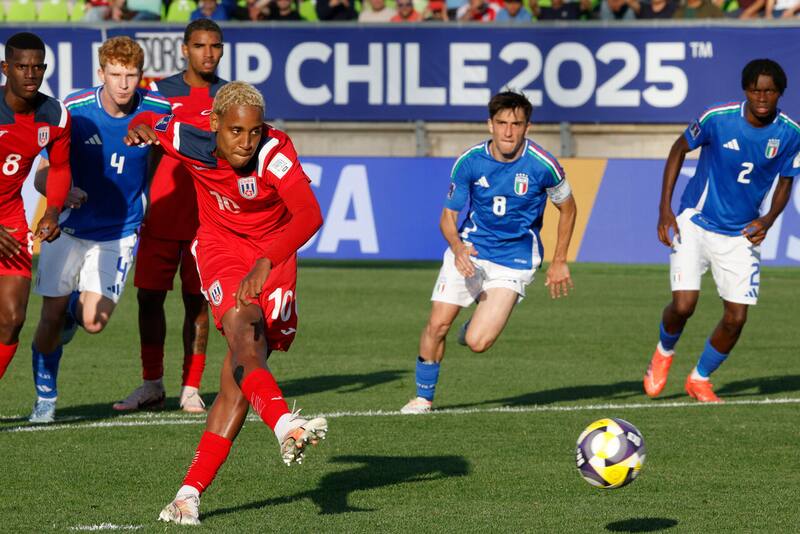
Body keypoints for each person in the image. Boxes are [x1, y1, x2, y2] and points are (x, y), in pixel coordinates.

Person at [124, 81, 327, 525]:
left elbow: (310, 214)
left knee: (238, 374)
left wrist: (266, 260)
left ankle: (187, 496)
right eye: (235, 131)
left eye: (254, 132)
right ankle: (285, 425)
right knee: (242, 333)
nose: (245, 142)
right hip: (220, 247)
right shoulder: (187, 137)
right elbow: (150, 124)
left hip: (272, 254)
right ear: (214, 124)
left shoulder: (274, 152)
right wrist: (140, 127)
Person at [400, 91, 577, 414]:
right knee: (438, 323)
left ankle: (471, 328)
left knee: (478, 343)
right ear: (490, 124)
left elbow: (568, 208)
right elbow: (448, 217)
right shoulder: (470, 161)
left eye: (516, 124)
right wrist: (457, 249)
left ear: (527, 127)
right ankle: (423, 397)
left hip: (515, 260)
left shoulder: (544, 165)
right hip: (471, 250)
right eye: (502, 123)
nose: (508, 131)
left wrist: (560, 259)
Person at [26, 36, 171, 423]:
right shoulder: (74, 109)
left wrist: (147, 196)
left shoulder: (159, 110)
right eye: (116, 74)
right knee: (48, 316)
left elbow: (166, 150)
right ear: (101, 73)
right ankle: (46, 397)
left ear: (142, 76)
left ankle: (75, 315)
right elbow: (41, 175)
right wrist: (61, 191)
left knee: (93, 322)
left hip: (119, 232)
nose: (124, 84)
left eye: (132, 75)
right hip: (69, 229)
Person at [643, 59, 800, 403]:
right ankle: (663, 352)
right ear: (745, 90)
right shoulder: (717, 118)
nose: (762, 97)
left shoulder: (791, 134)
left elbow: (786, 182)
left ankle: (699, 378)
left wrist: (769, 219)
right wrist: (665, 210)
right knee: (684, 305)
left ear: (780, 94)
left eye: (770, 91)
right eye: (756, 90)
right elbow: (677, 150)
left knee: (736, 317)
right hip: (695, 222)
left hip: (741, 233)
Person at [114, 19, 227, 415]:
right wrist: (137, 130)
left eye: (215, 46)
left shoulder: (228, 97)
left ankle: (191, 387)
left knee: (197, 302)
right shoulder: (160, 92)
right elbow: (139, 121)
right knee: (148, 297)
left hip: (207, 222)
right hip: (161, 214)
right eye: (199, 46)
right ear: (185, 49)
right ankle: (152, 383)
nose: (208, 53)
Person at [0, 32, 71, 382]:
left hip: (10, 219)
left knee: (12, 320)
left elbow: (59, 167)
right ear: (5, 68)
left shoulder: (54, 115)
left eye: (37, 67)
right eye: (21, 66)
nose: (30, 74)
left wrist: (53, 210)